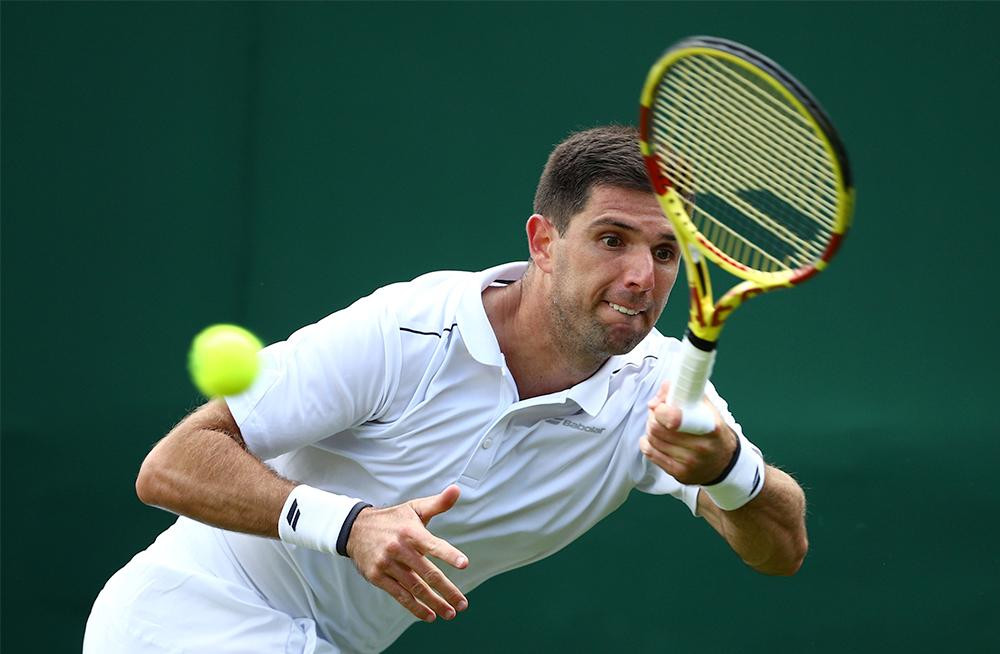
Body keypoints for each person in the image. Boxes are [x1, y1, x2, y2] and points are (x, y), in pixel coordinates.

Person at [84, 125, 807, 653]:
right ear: (544, 243)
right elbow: (172, 464)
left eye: (663, 251)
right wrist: (349, 524)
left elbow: (781, 547)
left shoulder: (659, 387)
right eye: (612, 239)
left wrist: (729, 471)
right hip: (183, 620)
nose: (642, 277)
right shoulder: (408, 330)